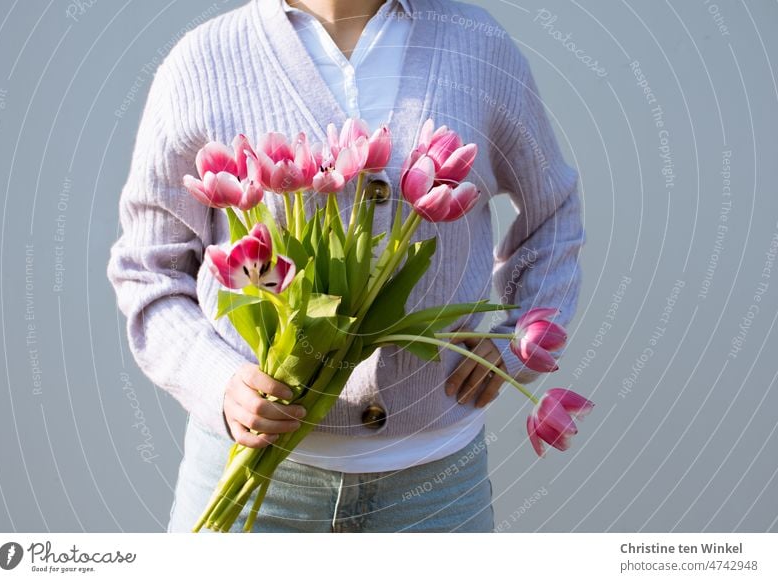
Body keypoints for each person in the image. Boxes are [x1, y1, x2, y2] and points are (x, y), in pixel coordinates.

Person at [107, 0, 585, 532]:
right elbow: (148, 268)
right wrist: (217, 381)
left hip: (432, 494)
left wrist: (512, 340)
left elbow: (554, 212)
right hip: (251, 492)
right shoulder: (203, 61)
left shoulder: (475, 42)